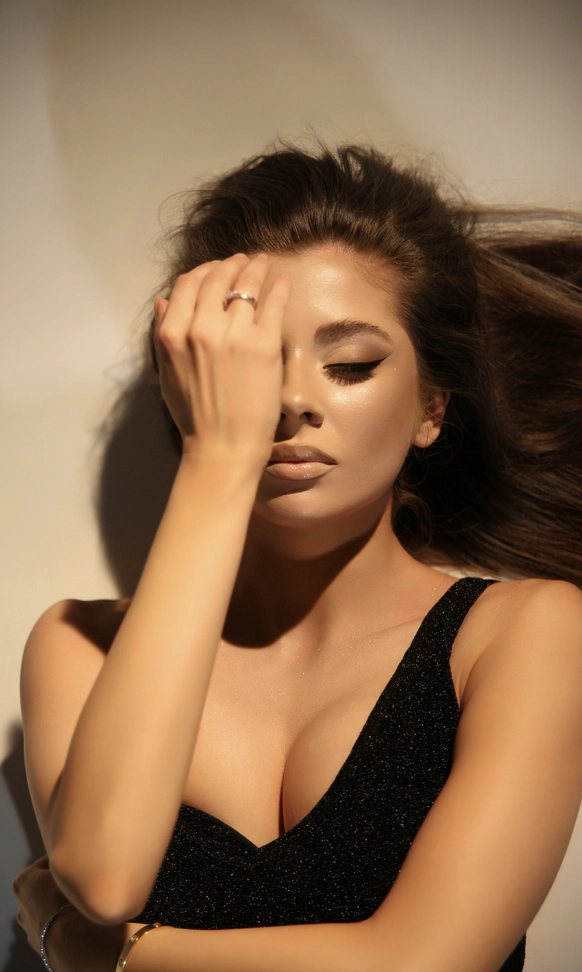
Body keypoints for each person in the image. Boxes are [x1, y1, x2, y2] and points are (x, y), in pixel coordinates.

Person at [12, 143, 582, 972]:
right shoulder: (77, 644)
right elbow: (103, 879)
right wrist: (217, 459)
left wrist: (108, 957)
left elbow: (424, 963)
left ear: (431, 408)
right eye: (252, 367)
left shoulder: (526, 632)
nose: (291, 401)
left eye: (350, 365)